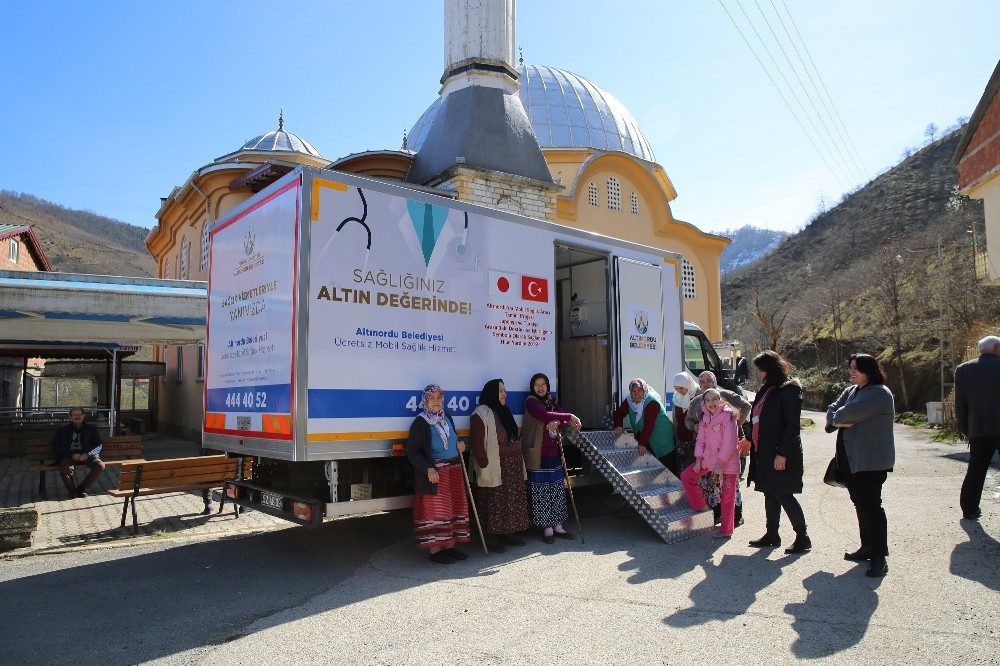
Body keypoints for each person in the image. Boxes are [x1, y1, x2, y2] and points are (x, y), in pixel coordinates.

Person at [826, 353, 895, 578]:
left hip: (870, 461)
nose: (852, 371)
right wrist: (839, 418)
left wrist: (840, 417)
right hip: (851, 458)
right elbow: (832, 412)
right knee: (860, 504)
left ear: (870, 370)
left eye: (857, 368)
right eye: (851, 367)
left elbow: (844, 414)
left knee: (872, 507)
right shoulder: (852, 391)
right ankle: (867, 547)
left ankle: (879, 557)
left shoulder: (878, 393)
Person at [746, 350, 811, 554]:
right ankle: (772, 534)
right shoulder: (767, 389)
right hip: (764, 451)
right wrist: (749, 439)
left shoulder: (789, 390)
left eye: (761, 369)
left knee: (784, 494)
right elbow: (757, 418)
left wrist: (782, 453)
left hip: (780, 453)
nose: (758, 373)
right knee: (769, 493)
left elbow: (791, 426)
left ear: (770, 369)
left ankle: (803, 537)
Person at [405, 384, 471, 563]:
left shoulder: (446, 417)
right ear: (425, 401)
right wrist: (428, 469)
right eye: (432, 398)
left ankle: (450, 546)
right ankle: (435, 550)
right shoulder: (421, 422)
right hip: (436, 473)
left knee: (453, 508)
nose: (436, 401)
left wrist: (461, 446)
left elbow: (453, 440)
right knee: (437, 510)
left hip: (454, 471)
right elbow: (412, 451)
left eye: (439, 398)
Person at [469, 378, 529, 552]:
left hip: (512, 466)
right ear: (491, 393)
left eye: (505, 390)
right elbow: (477, 441)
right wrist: (484, 464)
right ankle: (492, 538)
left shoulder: (504, 411)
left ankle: (508, 533)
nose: (505, 394)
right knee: (493, 501)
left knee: (510, 500)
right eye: (501, 391)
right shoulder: (481, 412)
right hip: (495, 466)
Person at [521, 372, 582, 544]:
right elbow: (545, 415)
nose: (540, 388)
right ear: (532, 387)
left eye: (543, 384)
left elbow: (561, 420)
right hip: (538, 453)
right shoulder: (531, 402)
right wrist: (568, 416)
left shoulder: (552, 401)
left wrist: (559, 420)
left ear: (547, 386)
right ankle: (546, 529)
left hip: (554, 453)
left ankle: (558, 526)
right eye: (537, 385)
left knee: (556, 489)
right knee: (541, 491)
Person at [685, 371, 750, 526]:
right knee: (710, 484)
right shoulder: (696, 401)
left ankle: (736, 516)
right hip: (707, 451)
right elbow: (687, 419)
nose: (705, 384)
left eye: (709, 380)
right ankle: (717, 514)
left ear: (714, 382)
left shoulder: (725, 395)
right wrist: (694, 426)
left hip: (727, 449)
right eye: (702, 382)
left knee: (730, 484)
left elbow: (746, 406)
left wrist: (735, 423)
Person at [680, 389, 741, 537]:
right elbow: (700, 440)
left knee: (727, 495)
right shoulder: (704, 417)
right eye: (708, 400)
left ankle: (726, 530)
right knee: (687, 476)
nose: (711, 403)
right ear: (704, 402)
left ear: (720, 400)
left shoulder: (728, 415)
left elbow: (730, 442)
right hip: (708, 460)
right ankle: (700, 506)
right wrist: (698, 460)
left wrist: (720, 463)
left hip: (727, 462)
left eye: (715, 399)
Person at [954, 335, 1000, 522]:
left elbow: (960, 403)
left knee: (976, 469)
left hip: (978, 428)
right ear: (997, 348)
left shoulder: (963, 369)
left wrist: (964, 427)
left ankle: (969, 508)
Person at [613, 378, 678, 475]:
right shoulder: (630, 401)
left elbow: (649, 425)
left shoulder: (651, 402)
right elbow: (618, 414)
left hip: (662, 438)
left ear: (644, 390)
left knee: (668, 470)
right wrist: (618, 426)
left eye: (639, 390)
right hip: (648, 439)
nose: (636, 394)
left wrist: (642, 444)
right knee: (652, 472)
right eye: (633, 391)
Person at [51, 407, 105, 498]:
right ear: (70, 417)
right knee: (64, 467)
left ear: (84, 416)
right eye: (74, 415)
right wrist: (71, 454)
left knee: (100, 466)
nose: (77, 417)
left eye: (79, 415)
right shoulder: (62, 431)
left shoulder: (91, 429)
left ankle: (81, 489)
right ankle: (72, 490)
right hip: (69, 456)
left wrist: (88, 454)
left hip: (87, 455)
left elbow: (98, 445)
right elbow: (56, 446)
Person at [672, 372, 700, 471]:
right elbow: (675, 419)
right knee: (681, 467)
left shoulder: (698, 395)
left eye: (681, 388)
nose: (679, 391)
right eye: (676, 388)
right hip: (681, 439)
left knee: (692, 467)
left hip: (695, 439)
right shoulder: (676, 397)